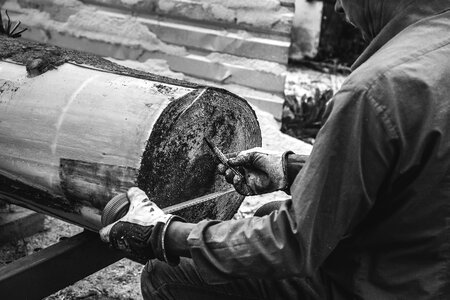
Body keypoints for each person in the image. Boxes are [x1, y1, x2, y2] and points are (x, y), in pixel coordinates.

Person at [100, 0, 450, 299]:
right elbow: (412, 166)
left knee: (166, 274)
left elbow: (293, 244)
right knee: (268, 209)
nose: (340, 8)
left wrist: (166, 234)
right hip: (425, 265)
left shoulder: (373, 91)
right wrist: (293, 169)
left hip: (384, 286)